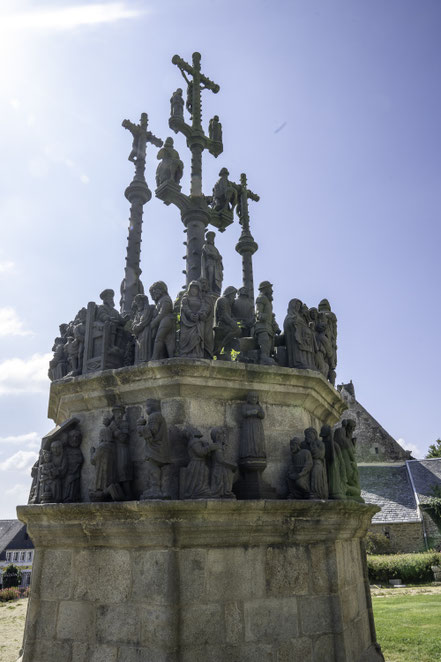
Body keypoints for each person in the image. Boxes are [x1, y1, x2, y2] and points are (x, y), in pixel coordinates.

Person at [149, 281, 175, 360]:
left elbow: (163, 313)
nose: (153, 293)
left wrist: (154, 322)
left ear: (161, 289)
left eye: (155, 290)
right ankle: (171, 356)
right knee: (168, 340)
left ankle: (155, 357)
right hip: (165, 320)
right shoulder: (161, 300)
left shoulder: (165, 299)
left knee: (159, 339)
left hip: (166, 320)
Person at [179, 280, 205, 358]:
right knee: (184, 337)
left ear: (198, 290)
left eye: (196, 289)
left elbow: (203, 308)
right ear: (189, 289)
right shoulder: (185, 298)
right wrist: (190, 314)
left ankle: (197, 353)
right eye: (192, 288)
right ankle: (185, 353)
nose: (194, 290)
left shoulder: (201, 299)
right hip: (187, 322)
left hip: (197, 322)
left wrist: (199, 314)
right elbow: (184, 307)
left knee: (196, 337)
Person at [254, 281, 277, 365]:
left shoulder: (268, 301)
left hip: (268, 326)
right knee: (264, 341)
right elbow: (258, 311)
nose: (272, 291)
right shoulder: (261, 298)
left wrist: (276, 327)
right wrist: (260, 315)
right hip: (261, 326)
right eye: (270, 288)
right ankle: (263, 358)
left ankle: (266, 357)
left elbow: (271, 316)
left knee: (269, 344)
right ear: (265, 289)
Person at [240, 391, 266, 459]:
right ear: (248, 398)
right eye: (252, 397)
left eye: (255, 397)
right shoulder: (245, 406)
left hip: (257, 426)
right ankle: (248, 453)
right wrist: (251, 412)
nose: (254, 399)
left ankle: (258, 453)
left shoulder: (258, 406)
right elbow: (243, 413)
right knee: (249, 439)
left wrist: (259, 413)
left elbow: (263, 415)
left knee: (257, 439)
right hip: (248, 425)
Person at [130, 293, 155, 363]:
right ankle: (138, 361)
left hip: (146, 331)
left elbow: (145, 320)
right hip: (138, 333)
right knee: (138, 347)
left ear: (143, 301)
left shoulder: (147, 309)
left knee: (144, 345)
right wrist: (134, 327)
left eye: (139, 301)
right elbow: (134, 323)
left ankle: (145, 360)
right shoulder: (138, 313)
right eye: (137, 302)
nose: (138, 303)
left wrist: (137, 327)